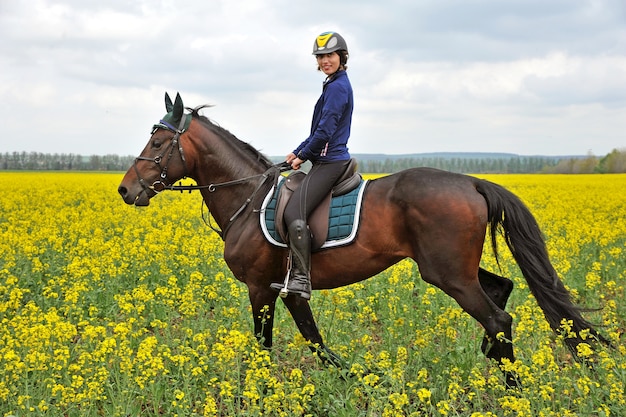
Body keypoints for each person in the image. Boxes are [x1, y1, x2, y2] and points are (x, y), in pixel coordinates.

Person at [273, 31, 354, 300]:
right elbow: (317, 131)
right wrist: (296, 152)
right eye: (320, 57)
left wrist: (305, 155)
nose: (325, 60)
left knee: (294, 212)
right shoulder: (332, 84)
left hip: (331, 161)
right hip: (325, 157)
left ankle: (301, 278)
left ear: (341, 57)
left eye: (329, 55)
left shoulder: (338, 87)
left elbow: (326, 132)